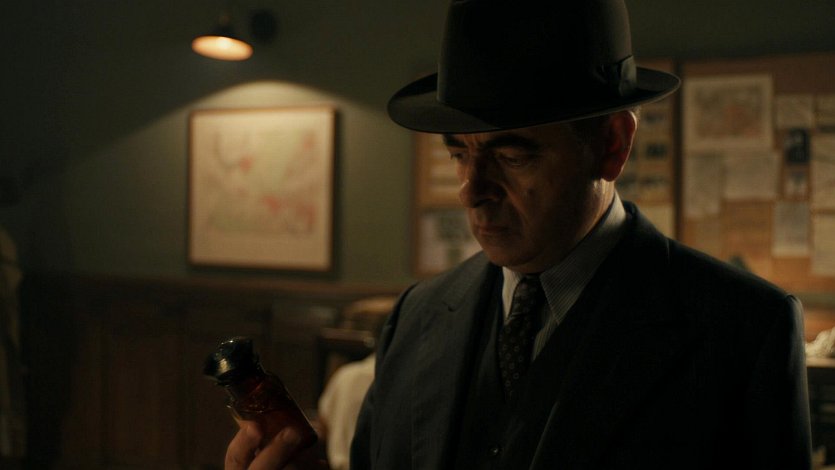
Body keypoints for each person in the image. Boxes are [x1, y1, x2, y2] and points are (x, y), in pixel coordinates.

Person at [225, 1, 813, 469]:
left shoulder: (740, 332)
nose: (470, 190)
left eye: (512, 156)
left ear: (611, 145)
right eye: (459, 154)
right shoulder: (417, 317)